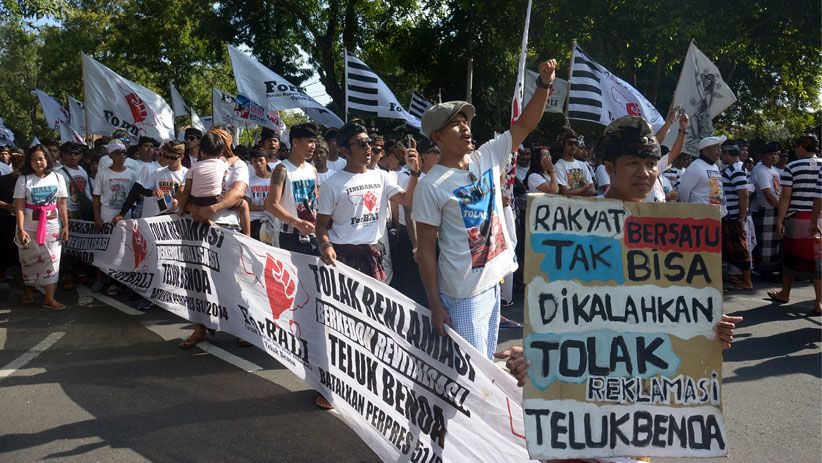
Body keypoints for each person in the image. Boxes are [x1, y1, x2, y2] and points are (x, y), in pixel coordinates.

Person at [494, 116, 742, 387]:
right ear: (609, 168)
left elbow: (675, 301)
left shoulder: (675, 232)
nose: (644, 173)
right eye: (633, 163)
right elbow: (559, 304)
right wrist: (538, 352)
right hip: (587, 372)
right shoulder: (574, 224)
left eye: (650, 164)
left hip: (649, 378)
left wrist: (707, 324)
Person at [412, 59, 557, 360]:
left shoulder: (487, 156)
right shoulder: (431, 185)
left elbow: (525, 124)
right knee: (471, 374)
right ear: (436, 137)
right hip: (463, 295)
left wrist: (543, 85)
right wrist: (435, 306)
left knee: (485, 365)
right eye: (456, 123)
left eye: (466, 121)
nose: (465, 127)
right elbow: (425, 250)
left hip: (493, 283)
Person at [316, 121, 419, 282]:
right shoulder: (331, 185)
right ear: (344, 150)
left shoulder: (382, 177)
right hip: (344, 258)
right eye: (361, 143)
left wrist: (414, 172)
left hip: (375, 255)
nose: (368, 148)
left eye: (368, 142)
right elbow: (321, 225)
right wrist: (326, 246)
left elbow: (407, 199)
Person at [179, 128, 250, 348]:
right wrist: (192, 207)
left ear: (228, 144)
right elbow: (184, 193)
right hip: (196, 227)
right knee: (197, 281)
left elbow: (238, 193)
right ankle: (201, 326)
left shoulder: (238, 165)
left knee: (232, 281)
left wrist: (211, 209)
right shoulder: (197, 166)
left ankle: (241, 328)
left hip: (226, 228)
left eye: (222, 139)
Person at [767, 134, 821, 315]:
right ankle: (819, 301)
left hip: (798, 218)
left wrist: (780, 221)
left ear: (800, 147)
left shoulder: (792, 167)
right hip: (820, 218)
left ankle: (785, 292)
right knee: (818, 260)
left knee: (792, 257)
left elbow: (786, 196)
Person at [14, 145, 69, 310]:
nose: (38, 162)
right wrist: (21, 229)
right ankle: (29, 290)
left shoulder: (58, 178)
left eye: (41, 158)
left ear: (47, 159)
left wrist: (66, 226)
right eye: (34, 159)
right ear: (29, 162)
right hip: (29, 227)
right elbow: (19, 207)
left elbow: (62, 203)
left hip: (52, 227)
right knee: (29, 261)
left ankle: (49, 299)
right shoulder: (23, 180)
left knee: (53, 261)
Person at [264, 122, 319, 255]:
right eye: (309, 141)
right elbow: (271, 205)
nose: (313, 146)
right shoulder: (282, 169)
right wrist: (296, 223)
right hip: (290, 235)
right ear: (295, 142)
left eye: (314, 142)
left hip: (313, 233)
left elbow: (316, 200)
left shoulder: (312, 170)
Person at [92, 140, 136, 295]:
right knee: (106, 250)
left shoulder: (131, 173)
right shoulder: (103, 174)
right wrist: (97, 217)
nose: (122, 156)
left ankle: (119, 282)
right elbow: (96, 197)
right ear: (110, 155)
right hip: (106, 217)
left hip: (125, 218)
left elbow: (134, 196)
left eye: (124, 152)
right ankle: (105, 281)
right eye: (118, 153)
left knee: (123, 250)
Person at [720, 140, 754, 290]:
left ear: (727, 153)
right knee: (734, 248)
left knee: (740, 248)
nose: (720, 155)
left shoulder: (736, 169)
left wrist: (740, 217)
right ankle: (744, 280)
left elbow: (744, 195)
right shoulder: (736, 167)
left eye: (722, 153)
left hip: (734, 216)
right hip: (731, 215)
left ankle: (747, 282)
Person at [751, 141, 782, 275]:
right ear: (762, 156)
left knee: (775, 241)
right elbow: (768, 195)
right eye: (770, 154)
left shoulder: (774, 170)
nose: (773, 157)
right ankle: (765, 269)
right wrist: (782, 209)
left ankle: (772, 267)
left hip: (776, 208)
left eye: (776, 154)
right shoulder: (761, 170)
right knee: (767, 243)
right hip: (768, 208)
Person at [678, 135, 726, 216]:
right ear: (706, 149)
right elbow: (683, 191)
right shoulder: (696, 167)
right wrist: (687, 210)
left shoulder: (715, 166)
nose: (719, 150)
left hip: (715, 215)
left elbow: (715, 191)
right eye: (715, 147)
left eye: (719, 148)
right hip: (700, 216)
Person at [0, 150, 24, 281]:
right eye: (18, 166)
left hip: (23, 221)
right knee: (4, 245)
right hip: (5, 220)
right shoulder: (3, 180)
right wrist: (6, 206)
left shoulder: (28, 181)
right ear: (13, 166)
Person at [554, 127, 595, 197]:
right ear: (563, 145)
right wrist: (585, 188)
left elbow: (592, 191)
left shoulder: (582, 165)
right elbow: (564, 192)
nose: (573, 146)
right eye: (570, 143)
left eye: (576, 144)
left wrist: (573, 193)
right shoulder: (558, 165)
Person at [246, 148, 276, 243]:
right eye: (255, 161)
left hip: (274, 222)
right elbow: (246, 205)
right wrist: (263, 207)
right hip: (255, 222)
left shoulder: (276, 180)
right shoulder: (248, 182)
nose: (258, 163)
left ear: (267, 160)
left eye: (260, 160)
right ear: (251, 163)